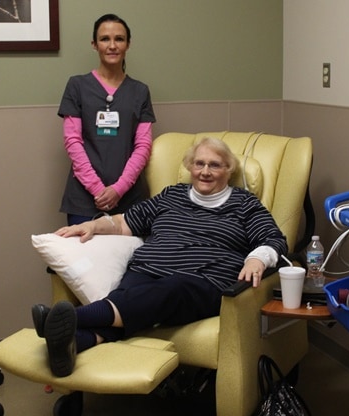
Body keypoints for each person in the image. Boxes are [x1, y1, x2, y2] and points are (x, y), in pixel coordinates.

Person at [32, 137, 289, 377]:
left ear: (229, 170)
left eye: (215, 165)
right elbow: (125, 223)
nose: (205, 171)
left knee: (170, 287)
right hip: (146, 271)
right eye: (199, 163)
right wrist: (93, 226)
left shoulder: (244, 204)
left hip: (201, 283)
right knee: (134, 299)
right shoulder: (171, 195)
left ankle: (66, 318)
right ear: (189, 166)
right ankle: (71, 343)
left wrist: (257, 259)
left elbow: (273, 239)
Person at [58, 13, 156, 225]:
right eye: (105, 39)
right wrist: (98, 189)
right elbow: (72, 142)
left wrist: (118, 189)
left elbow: (143, 145)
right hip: (84, 199)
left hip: (129, 198)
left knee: (130, 258)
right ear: (94, 44)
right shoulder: (77, 86)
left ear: (128, 44)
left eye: (119, 39)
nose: (112, 45)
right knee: (84, 257)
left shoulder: (140, 91)